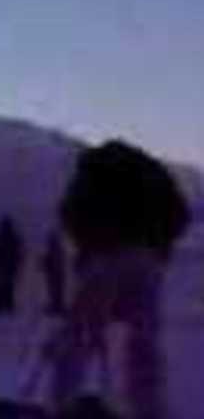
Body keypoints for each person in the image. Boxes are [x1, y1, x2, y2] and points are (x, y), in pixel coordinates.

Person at [50, 139, 190, 419]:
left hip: (105, 255)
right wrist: (159, 246)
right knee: (143, 341)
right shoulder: (155, 176)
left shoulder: (92, 172)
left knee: (81, 335)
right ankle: (150, 409)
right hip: (147, 260)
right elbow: (181, 215)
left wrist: (87, 245)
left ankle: (62, 402)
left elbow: (69, 212)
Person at [0, 216, 25, 312]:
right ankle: (6, 304)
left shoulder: (9, 238)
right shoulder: (11, 238)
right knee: (6, 285)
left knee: (6, 285)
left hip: (6, 264)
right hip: (6, 264)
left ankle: (6, 304)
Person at [41, 231, 67, 315]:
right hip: (55, 274)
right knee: (55, 292)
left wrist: (46, 264)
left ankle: (57, 307)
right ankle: (57, 306)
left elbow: (55, 262)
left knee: (56, 292)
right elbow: (50, 261)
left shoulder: (56, 249)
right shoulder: (57, 249)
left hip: (56, 274)